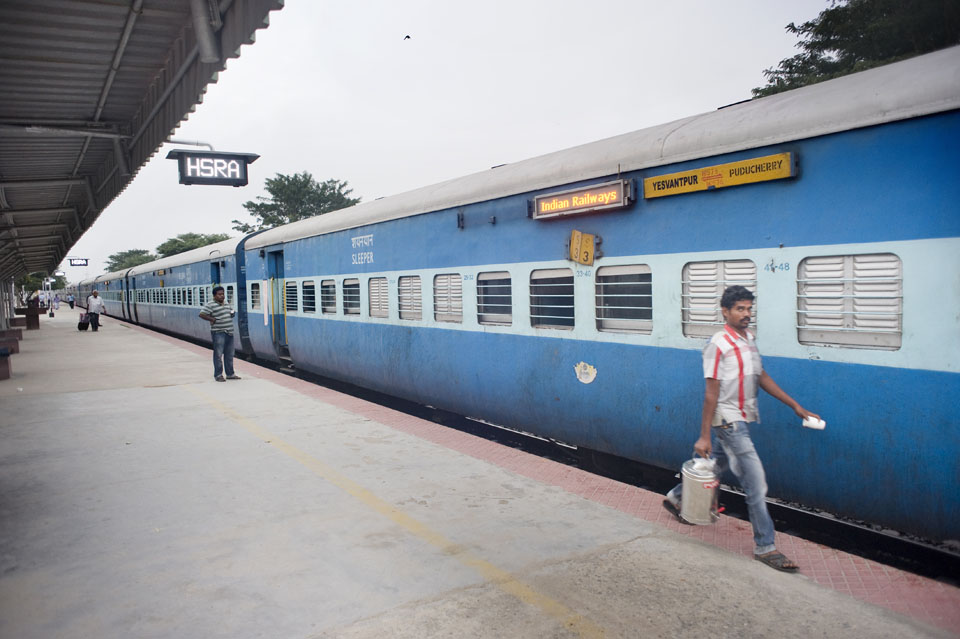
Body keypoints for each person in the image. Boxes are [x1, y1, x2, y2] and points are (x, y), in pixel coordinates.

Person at [663, 285, 819, 573]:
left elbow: (761, 376)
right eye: (740, 309)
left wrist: (794, 405)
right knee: (755, 483)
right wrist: (704, 435)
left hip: (742, 418)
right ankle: (765, 546)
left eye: (749, 309)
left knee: (719, 463)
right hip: (728, 421)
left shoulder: (748, 339)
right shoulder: (717, 345)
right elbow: (711, 393)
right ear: (725, 311)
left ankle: (677, 496)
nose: (747, 314)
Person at [199, 286, 241, 382]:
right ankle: (218, 375)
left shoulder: (226, 303)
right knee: (218, 355)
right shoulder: (210, 304)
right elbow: (201, 314)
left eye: (223, 294)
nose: (222, 296)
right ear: (214, 296)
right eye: (219, 294)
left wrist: (232, 313)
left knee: (229, 354)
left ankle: (230, 374)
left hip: (229, 332)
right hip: (218, 332)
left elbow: (230, 311)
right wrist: (212, 319)